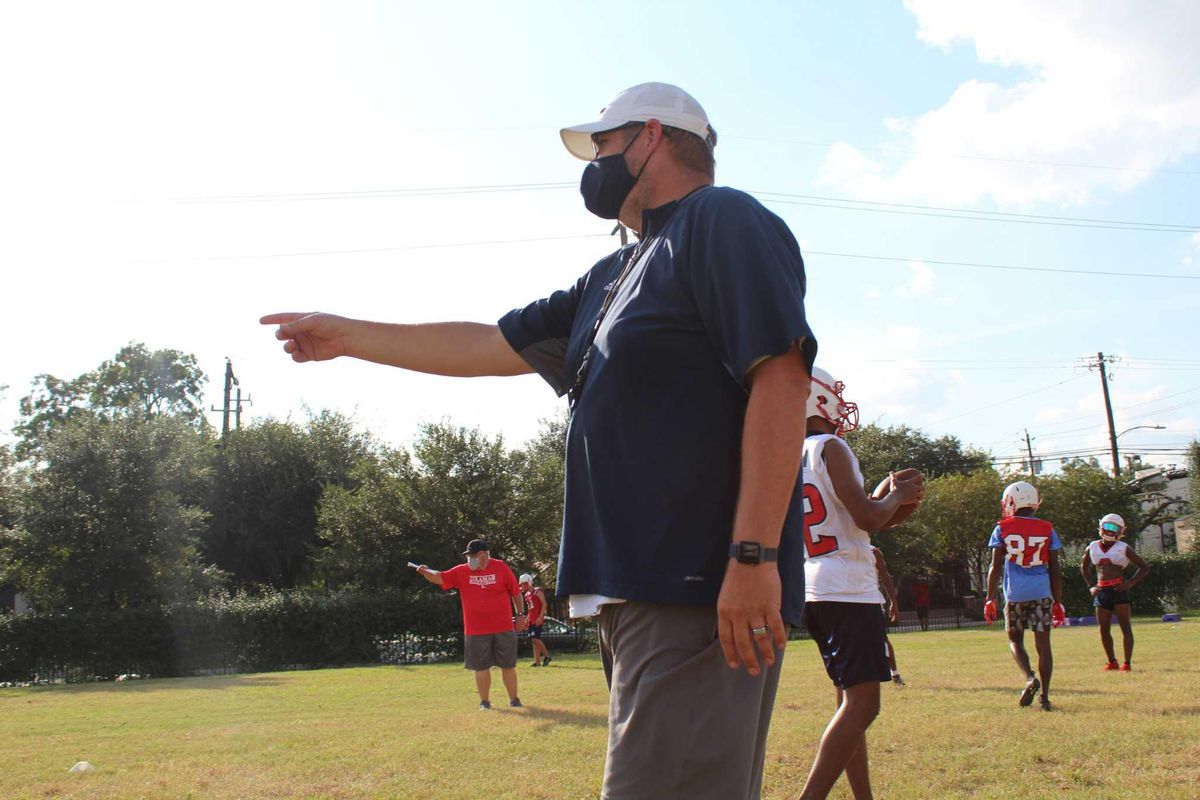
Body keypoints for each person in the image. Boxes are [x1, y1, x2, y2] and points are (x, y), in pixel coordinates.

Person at [263, 82, 817, 799]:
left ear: (651, 136)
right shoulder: (614, 273)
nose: (594, 163)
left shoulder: (721, 219)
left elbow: (782, 379)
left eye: (602, 144)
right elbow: (489, 344)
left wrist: (753, 557)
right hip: (634, 593)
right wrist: (349, 336)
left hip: (697, 587)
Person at [798, 369, 924, 800]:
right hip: (848, 588)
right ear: (819, 400)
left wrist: (891, 501)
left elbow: (862, 520)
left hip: (816, 586)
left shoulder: (791, 452)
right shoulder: (830, 446)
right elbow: (868, 518)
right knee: (863, 706)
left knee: (848, 705)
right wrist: (896, 495)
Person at [414, 539, 527, 710]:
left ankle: (514, 700)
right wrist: (425, 572)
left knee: (508, 665)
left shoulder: (501, 567)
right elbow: (440, 577)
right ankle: (485, 702)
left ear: (484, 555)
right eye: (468, 556)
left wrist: (520, 615)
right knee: (481, 667)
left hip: (503, 627)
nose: (469, 559)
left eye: (472, 555)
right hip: (476, 630)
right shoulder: (462, 571)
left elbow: (516, 592)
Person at [983, 481, 1066, 712]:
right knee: (1044, 646)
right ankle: (1045, 699)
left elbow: (995, 566)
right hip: (1042, 592)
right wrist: (1058, 601)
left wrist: (989, 597)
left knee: (1015, 640)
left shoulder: (1002, 528)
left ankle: (1030, 677)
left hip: (1015, 594)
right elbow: (1055, 569)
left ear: (1012, 501)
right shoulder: (1048, 529)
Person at [1080, 513, 1150, 671]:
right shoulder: (1092, 547)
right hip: (1101, 592)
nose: (1111, 531)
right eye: (1108, 526)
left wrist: (1130, 583)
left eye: (1114, 528)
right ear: (1101, 527)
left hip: (1119, 591)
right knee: (1103, 630)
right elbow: (1084, 567)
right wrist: (1091, 585)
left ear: (1121, 531)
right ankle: (1112, 661)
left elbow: (1144, 567)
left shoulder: (1124, 548)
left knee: (1126, 628)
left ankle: (1127, 663)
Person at [871, 547, 904, 687]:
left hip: (871, 601)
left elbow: (885, 577)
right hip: (850, 603)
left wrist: (893, 602)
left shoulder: (873, 552)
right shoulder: (843, 550)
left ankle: (895, 673)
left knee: (881, 639)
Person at [519, 573, 551, 667]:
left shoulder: (537, 592)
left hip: (537, 619)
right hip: (531, 619)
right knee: (533, 640)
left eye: (525, 583)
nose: (523, 586)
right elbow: (530, 610)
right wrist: (526, 621)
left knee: (535, 638)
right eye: (522, 584)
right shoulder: (526, 595)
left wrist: (540, 617)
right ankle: (537, 661)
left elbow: (544, 604)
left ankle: (547, 656)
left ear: (529, 582)